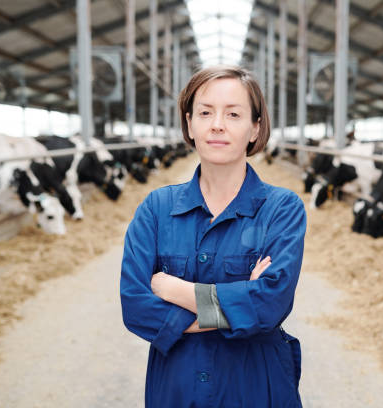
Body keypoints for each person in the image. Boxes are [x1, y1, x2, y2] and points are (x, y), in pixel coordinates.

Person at [120, 65, 306, 408]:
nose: (217, 124)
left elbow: (270, 304)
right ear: (190, 123)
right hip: (177, 389)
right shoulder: (157, 209)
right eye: (205, 112)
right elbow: (135, 306)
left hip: (256, 388)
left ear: (255, 128)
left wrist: (178, 291)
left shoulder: (282, 208)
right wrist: (240, 301)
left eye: (233, 114)